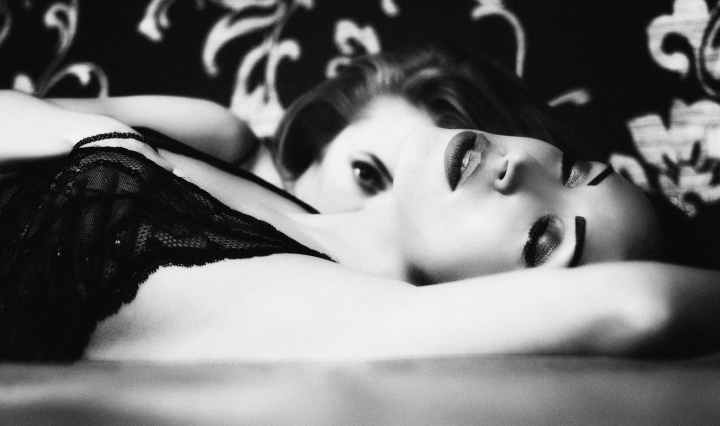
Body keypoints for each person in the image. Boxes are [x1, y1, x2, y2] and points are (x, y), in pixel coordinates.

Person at [1, 48, 719, 363]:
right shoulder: (238, 163)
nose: (519, 172)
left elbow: (641, 306)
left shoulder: (315, 305)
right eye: (574, 169)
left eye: (543, 239)